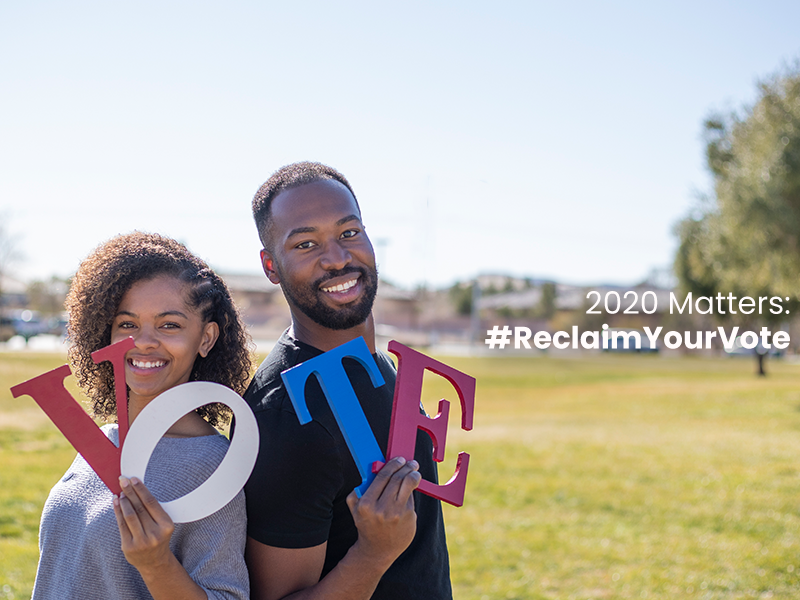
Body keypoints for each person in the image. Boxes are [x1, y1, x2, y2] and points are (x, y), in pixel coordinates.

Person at [244, 162, 453, 599]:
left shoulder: (374, 364)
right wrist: (373, 555)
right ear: (271, 266)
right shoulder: (285, 416)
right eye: (305, 243)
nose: (337, 258)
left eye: (349, 233)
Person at [32, 232, 253, 600]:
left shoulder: (212, 465)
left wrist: (156, 564)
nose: (144, 341)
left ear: (206, 338)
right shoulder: (102, 438)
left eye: (170, 325)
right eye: (127, 324)